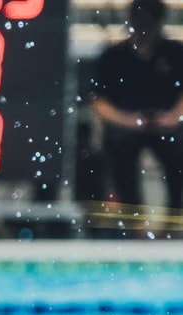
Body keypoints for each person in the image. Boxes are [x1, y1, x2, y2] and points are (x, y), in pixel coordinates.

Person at [90, 0, 183, 212]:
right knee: (119, 148)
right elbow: (100, 103)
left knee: (178, 148)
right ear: (131, 21)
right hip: (125, 124)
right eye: (141, 20)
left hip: (168, 124)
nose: (145, 27)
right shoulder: (112, 57)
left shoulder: (176, 53)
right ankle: (133, 215)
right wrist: (129, 121)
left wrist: (172, 117)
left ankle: (175, 213)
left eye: (149, 21)